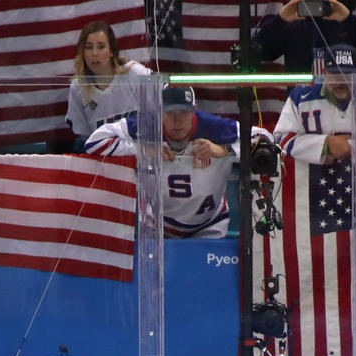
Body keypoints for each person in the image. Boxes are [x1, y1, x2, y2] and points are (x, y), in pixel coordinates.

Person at [84, 86, 246, 238]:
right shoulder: (146, 125)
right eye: (170, 113)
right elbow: (94, 143)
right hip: (157, 227)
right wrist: (143, 150)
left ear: (194, 111)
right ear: (159, 113)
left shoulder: (215, 128)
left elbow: (262, 141)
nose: (177, 121)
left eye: (183, 112)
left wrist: (224, 150)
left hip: (210, 225)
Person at [273, 43, 356, 165]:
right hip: (312, 182)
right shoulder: (302, 94)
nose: (341, 81)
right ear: (324, 72)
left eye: (347, 74)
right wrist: (326, 144)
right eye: (335, 73)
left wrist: (351, 147)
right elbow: (281, 139)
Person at [65, 20, 152, 149]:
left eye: (101, 46)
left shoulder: (135, 73)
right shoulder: (78, 88)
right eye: (89, 47)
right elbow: (85, 138)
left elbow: (162, 113)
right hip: (105, 159)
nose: (94, 53)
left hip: (144, 153)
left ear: (112, 51)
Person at [255, 0, 356, 74]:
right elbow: (259, 54)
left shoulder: (351, 17)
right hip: (302, 109)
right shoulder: (294, 22)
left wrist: (348, 19)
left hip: (348, 108)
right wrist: (280, 20)